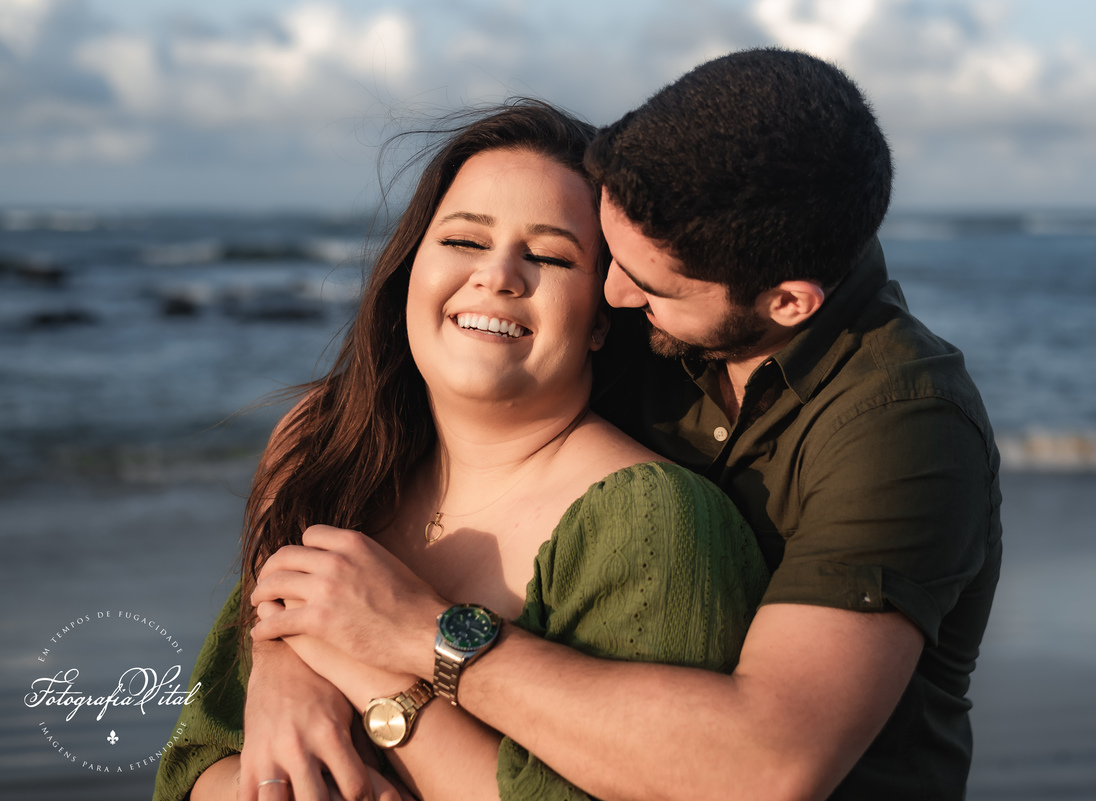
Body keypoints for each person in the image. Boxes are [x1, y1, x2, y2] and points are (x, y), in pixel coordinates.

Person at [243, 47, 1003, 801]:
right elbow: (348, 417)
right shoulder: (674, 286)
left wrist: (413, 635)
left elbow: (767, 765)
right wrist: (286, 659)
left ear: (788, 303)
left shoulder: (903, 425)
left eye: (644, 283)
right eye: (609, 255)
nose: (614, 292)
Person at [151, 101, 768, 801]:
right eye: (465, 241)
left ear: (602, 314)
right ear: (412, 266)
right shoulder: (332, 450)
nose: (499, 275)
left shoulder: (654, 520)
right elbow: (196, 755)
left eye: (548, 254)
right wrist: (280, 683)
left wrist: (348, 659)